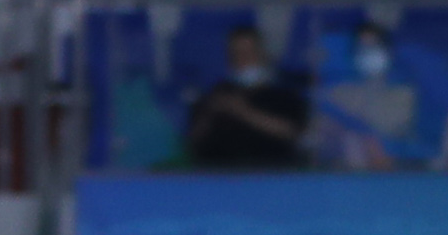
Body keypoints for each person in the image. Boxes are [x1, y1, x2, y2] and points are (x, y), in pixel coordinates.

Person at [181, 23, 309, 170]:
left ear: (263, 53)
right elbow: (193, 141)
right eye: (236, 54)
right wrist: (211, 113)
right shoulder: (217, 93)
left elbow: (291, 132)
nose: (242, 59)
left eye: (249, 53)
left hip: (272, 176)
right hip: (217, 176)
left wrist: (242, 110)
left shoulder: (285, 94)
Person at [311, 20, 431, 170]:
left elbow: (395, 131)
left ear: (388, 53)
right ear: (354, 55)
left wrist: (362, 129)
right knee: (351, 140)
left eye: (374, 48)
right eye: (362, 49)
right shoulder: (338, 93)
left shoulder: (404, 94)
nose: (368, 53)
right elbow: (321, 135)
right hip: (345, 169)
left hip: (392, 166)